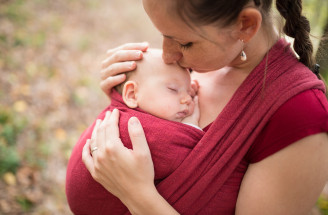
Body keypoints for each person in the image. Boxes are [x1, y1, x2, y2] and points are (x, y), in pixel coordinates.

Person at [81, 0, 328, 214]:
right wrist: (121, 103)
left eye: (184, 43)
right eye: (163, 35)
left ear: (245, 25)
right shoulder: (186, 67)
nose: (167, 55)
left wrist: (136, 195)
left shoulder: (300, 115)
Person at [66, 49, 203, 214]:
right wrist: (191, 126)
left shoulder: (129, 110)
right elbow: (182, 157)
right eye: (173, 89)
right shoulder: (135, 126)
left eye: (189, 92)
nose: (187, 99)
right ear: (131, 94)